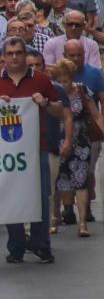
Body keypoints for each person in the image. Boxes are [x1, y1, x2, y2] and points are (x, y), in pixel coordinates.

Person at [0, 36, 63, 264]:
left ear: (25, 55)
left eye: (18, 53)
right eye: (10, 54)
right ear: (4, 57)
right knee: (11, 198)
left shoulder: (41, 80)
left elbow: (59, 110)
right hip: (7, 150)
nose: (15, 57)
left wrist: (45, 103)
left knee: (41, 196)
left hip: (37, 147)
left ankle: (41, 244)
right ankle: (16, 245)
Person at [48, 59, 102, 238]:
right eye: (60, 80)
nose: (63, 84)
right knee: (56, 181)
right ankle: (54, 218)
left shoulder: (82, 90)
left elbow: (95, 114)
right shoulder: (52, 92)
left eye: (66, 80)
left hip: (81, 142)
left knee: (81, 181)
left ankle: (82, 223)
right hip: (57, 140)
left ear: (72, 78)